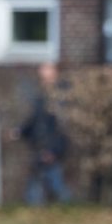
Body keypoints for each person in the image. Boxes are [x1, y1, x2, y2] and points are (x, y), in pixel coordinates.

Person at [16, 62, 71, 206]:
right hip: (39, 146)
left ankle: (68, 206)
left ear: (55, 71)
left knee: (55, 184)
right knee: (38, 183)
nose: (41, 71)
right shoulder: (41, 95)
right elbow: (35, 121)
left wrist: (53, 150)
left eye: (46, 68)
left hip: (51, 148)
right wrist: (20, 132)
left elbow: (62, 128)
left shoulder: (60, 97)